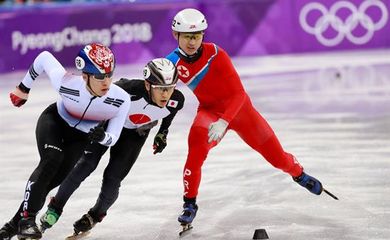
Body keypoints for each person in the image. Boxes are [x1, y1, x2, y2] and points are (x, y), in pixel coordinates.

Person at [166, 8, 326, 227]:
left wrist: (224, 121)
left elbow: (239, 94)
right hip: (209, 112)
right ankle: (189, 204)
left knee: (278, 159)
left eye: (196, 36)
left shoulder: (215, 54)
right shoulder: (170, 63)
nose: (192, 42)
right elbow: (157, 93)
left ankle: (299, 174)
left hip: (240, 112)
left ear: (203, 35)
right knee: (195, 151)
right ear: (176, 35)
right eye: (187, 36)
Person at [38, 58, 185, 237]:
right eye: (160, 89)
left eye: (170, 88)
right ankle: (55, 208)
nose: (165, 94)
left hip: (134, 134)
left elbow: (169, 112)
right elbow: (98, 95)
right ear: (147, 85)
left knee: (113, 179)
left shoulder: (177, 100)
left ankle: (94, 215)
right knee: (85, 166)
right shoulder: (127, 89)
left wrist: (163, 132)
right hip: (107, 126)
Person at [0, 43, 130, 240]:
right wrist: (23, 87)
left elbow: (114, 136)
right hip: (54, 122)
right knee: (51, 159)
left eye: (110, 75)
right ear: (85, 76)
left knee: (49, 182)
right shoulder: (67, 83)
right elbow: (43, 57)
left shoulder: (120, 99)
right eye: (100, 76)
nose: (107, 82)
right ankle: (27, 221)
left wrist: (103, 137)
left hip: (80, 138)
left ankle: (12, 226)